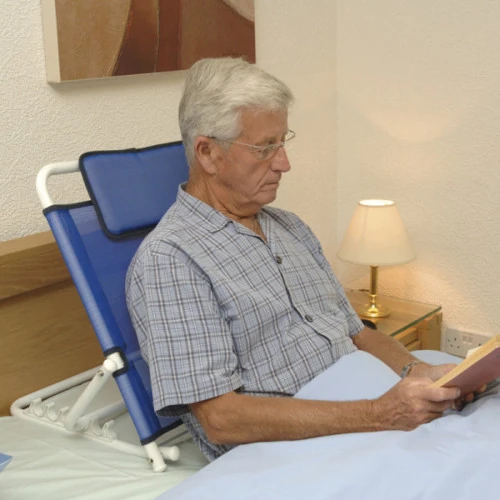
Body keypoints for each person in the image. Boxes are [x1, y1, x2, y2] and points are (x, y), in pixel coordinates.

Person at [126, 57, 465, 462]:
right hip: (304, 443)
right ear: (208, 153)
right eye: (265, 148)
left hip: (369, 405)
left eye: (282, 141)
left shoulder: (290, 228)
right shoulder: (171, 259)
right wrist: (380, 413)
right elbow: (221, 419)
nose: (284, 163)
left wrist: (414, 369)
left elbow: (356, 333)